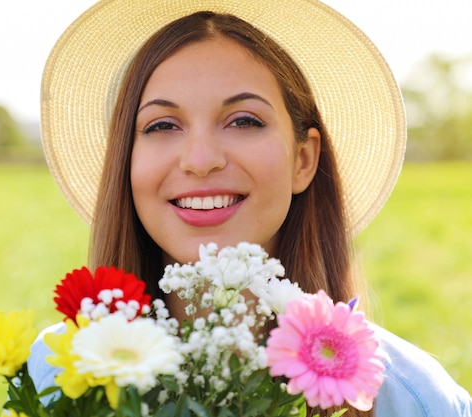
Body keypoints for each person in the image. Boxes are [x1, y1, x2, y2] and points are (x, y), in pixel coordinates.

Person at [32, 1, 472, 416]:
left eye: (244, 121)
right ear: (125, 162)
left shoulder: (417, 400)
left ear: (303, 160)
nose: (201, 160)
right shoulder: (53, 372)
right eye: (162, 125)